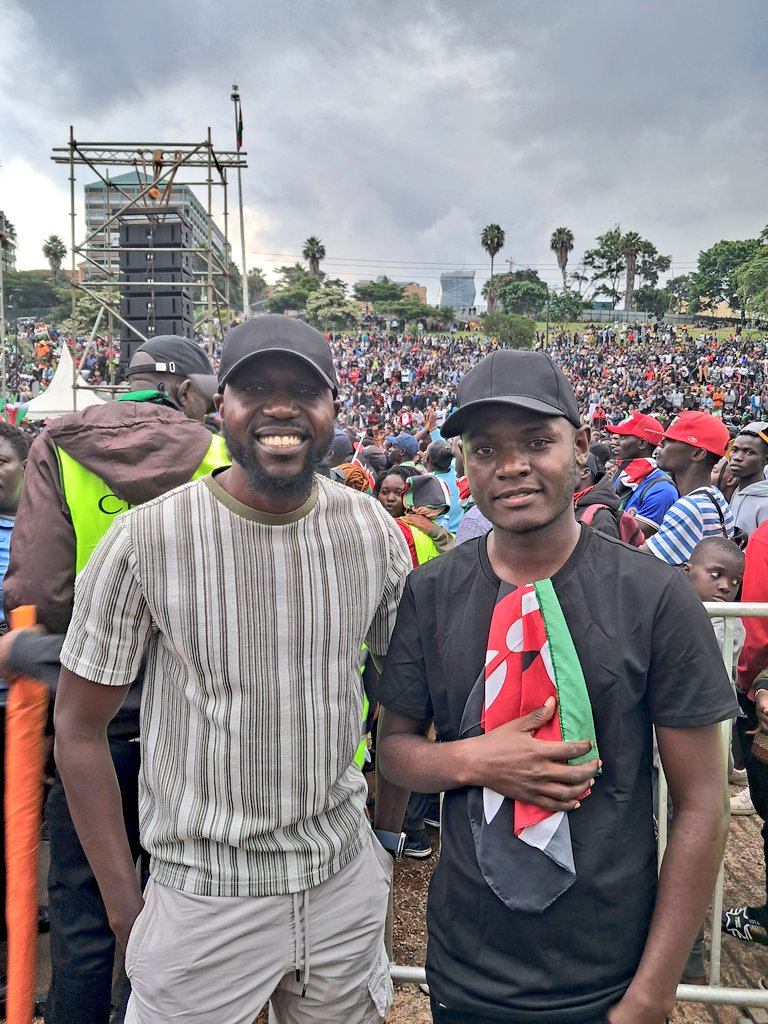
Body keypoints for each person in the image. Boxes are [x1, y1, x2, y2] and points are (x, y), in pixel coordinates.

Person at [53, 315, 411, 1024]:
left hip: (341, 881)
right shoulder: (146, 538)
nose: (281, 408)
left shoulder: (370, 529)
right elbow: (78, 728)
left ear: (333, 408)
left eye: (303, 391)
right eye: (256, 390)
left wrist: (385, 838)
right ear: (223, 407)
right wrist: (126, 912)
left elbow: (400, 690)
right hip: (202, 895)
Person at [375, 349, 735, 1024]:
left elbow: (701, 802)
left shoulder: (654, 597)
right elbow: (394, 751)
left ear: (582, 447)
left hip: (607, 972)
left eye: (538, 442)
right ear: (464, 465)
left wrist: (652, 991)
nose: (511, 466)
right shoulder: (432, 591)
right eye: (485, 449)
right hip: (466, 966)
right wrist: (473, 759)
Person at [3, 336, 229, 1024]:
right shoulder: (218, 452)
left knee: (83, 907)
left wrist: (39, 651)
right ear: (186, 390)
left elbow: (39, 591)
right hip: (190, 725)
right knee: (173, 905)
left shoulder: (57, 445)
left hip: (88, 721)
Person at [642, 411, 735, 565]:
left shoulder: (690, 507)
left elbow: (640, 560)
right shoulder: (715, 495)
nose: (661, 443)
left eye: (670, 440)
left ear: (698, 454)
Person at [604, 412, 678, 534]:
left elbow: (630, 536)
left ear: (642, 443)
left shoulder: (662, 489)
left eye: (623, 437)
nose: (615, 442)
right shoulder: (622, 475)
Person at [728, 421, 768, 536]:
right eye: (734, 450)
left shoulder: (765, 503)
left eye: (749, 452)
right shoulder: (737, 491)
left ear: (765, 459)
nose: (737, 457)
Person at [424, 439, 463, 534]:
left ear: (426, 458)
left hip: (437, 537)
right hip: (459, 534)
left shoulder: (425, 483)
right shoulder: (459, 475)